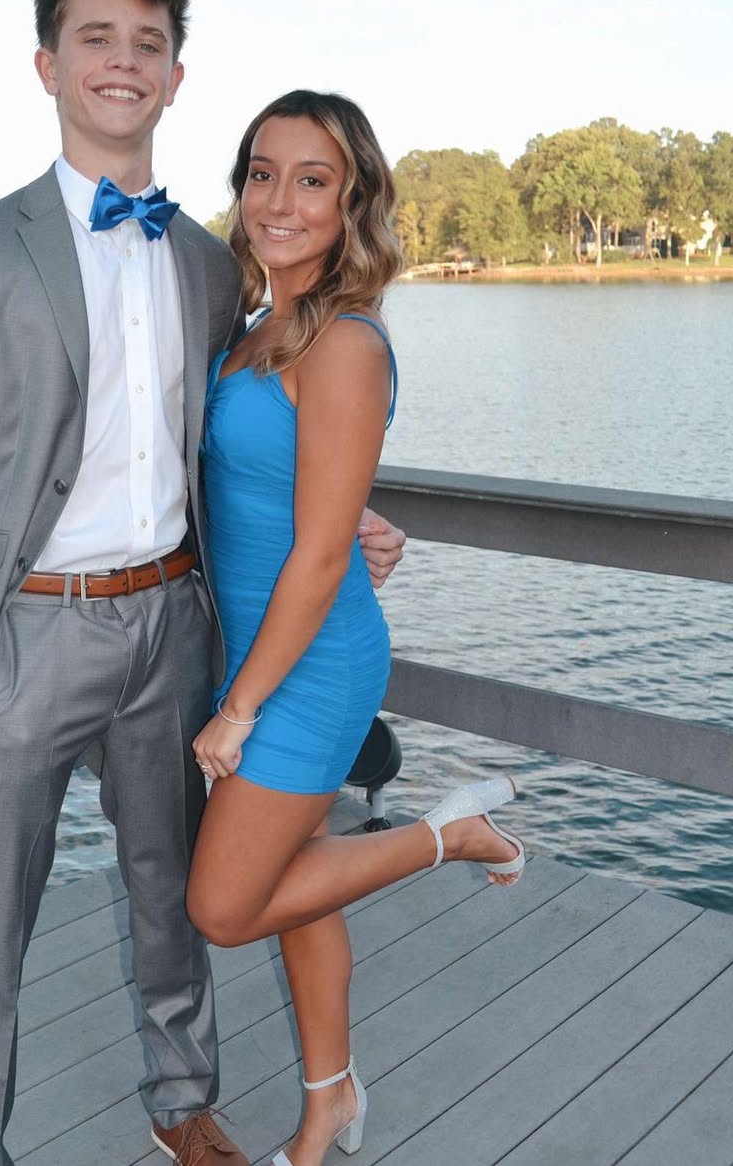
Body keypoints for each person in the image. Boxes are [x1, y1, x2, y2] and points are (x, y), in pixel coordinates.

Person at [0, 0, 404, 1166]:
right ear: (48, 65)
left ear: (175, 77)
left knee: (174, 897)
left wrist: (352, 516)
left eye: (148, 44)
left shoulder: (214, 267)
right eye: (96, 39)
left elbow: (243, 430)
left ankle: (183, 1105)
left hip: (176, 628)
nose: (123, 61)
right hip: (26, 637)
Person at [187, 90, 525, 1166]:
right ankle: (328, 1099)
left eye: (312, 180)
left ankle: (448, 836)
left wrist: (241, 709)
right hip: (262, 650)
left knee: (225, 907)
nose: (279, 201)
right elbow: (277, 489)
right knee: (297, 882)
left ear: (352, 203)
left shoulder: (343, 343)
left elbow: (321, 554)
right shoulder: (257, 331)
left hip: (308, 666)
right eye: (262, 174)